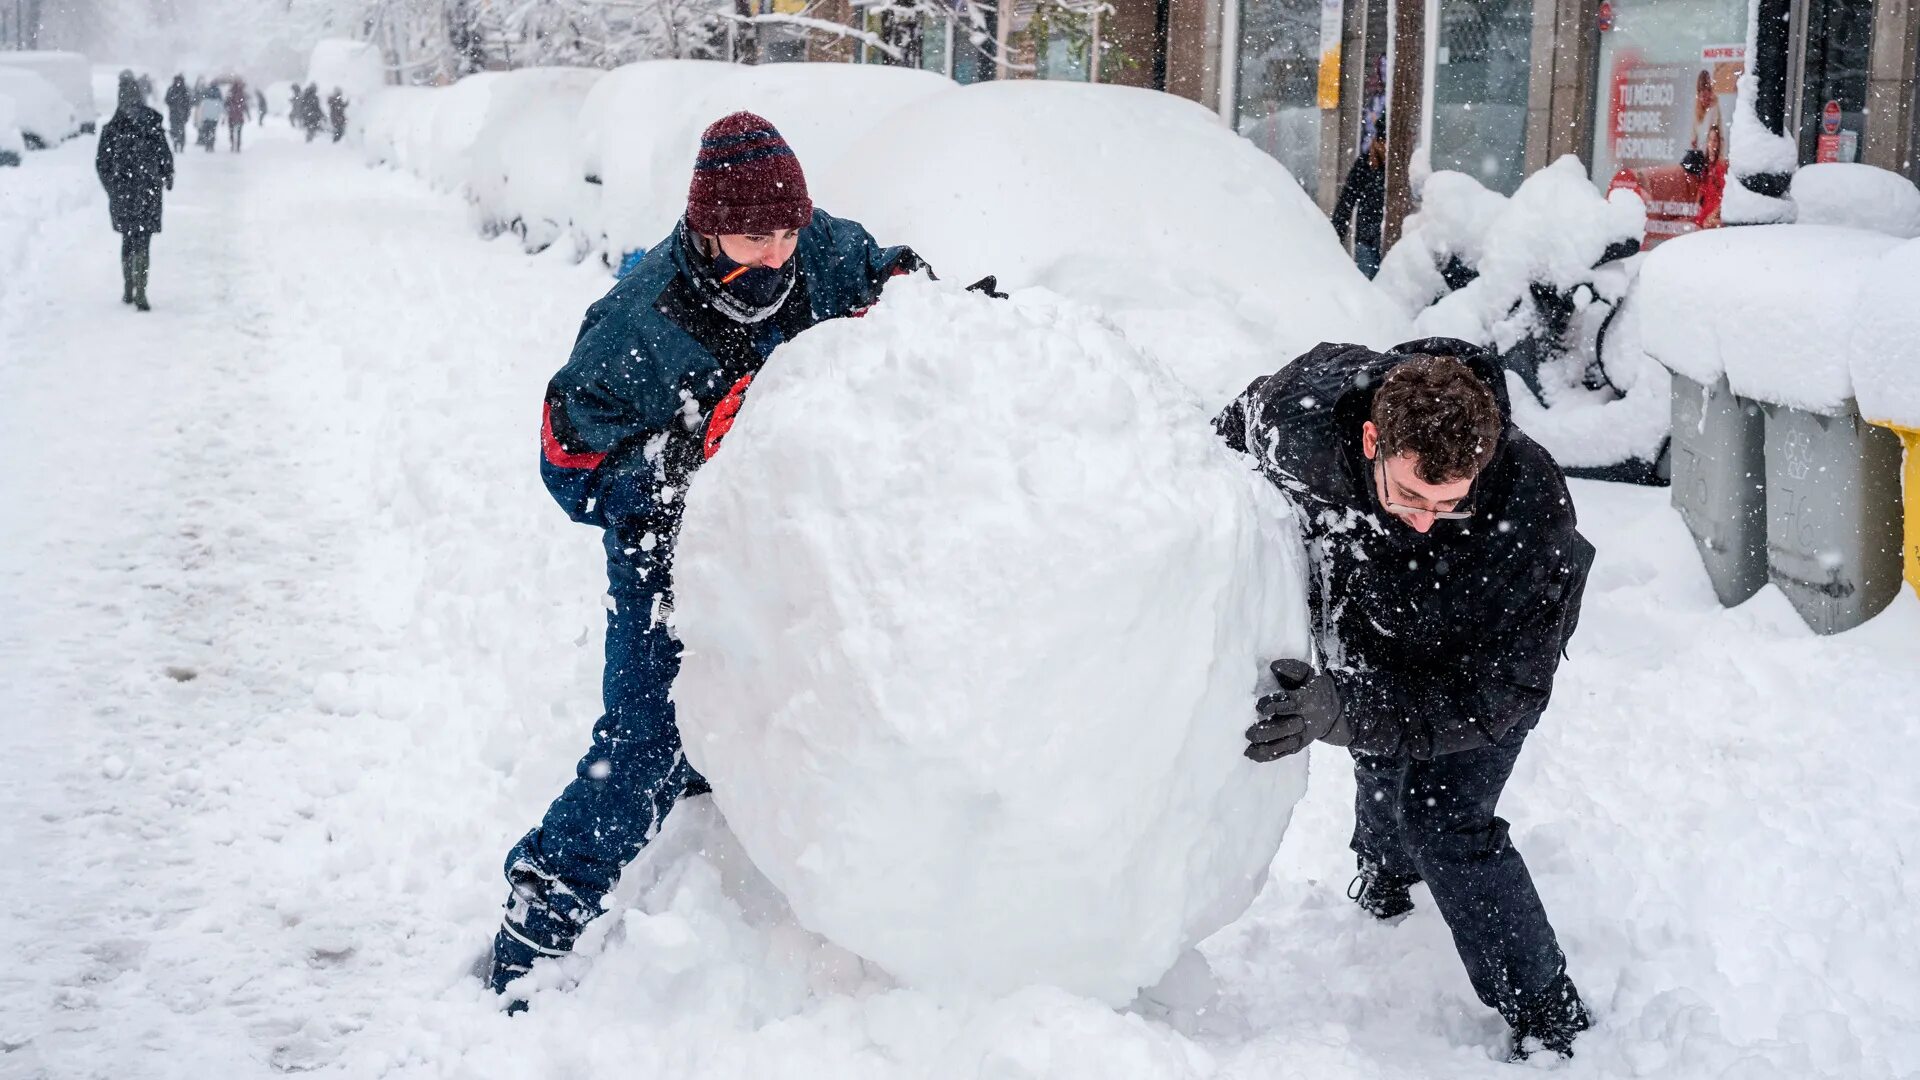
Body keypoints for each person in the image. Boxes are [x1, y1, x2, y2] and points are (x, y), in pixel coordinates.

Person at [487, 112, 935, 1011]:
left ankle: (723, 773)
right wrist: (679, 466)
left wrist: (934, 309)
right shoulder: (638, 320)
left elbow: (891, 279)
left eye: (786, 232)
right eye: (754, 237)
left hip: (788, 534)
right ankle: (542, 913)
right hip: (665, 555)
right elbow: (567, 461)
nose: (777, 255)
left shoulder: (819, 249)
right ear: (706, 226)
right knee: (644, 741)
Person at [1214, 340, 1596, 1061]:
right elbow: (1214, 451)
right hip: (1374, 625)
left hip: (1478, 667)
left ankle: (1547, 1010)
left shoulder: (1528, 507)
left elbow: (1499, 695)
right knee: (1381, 758)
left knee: (1445, 821)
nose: (1425, 519)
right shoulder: (1305, 416)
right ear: (1370, 441)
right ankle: (1387, 875)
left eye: (1450, 504)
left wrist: (1348, 710)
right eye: (1411, 496)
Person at [95, 71, 174, 312]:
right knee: (143, 240)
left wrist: (112, 187)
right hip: (147, 189)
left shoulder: (113, 128)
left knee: (129, 238)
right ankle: (141, 289)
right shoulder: (150, 123)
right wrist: (166, 174)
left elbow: (102, 163)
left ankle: (130, 286)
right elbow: (164, 153)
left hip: (124, 192)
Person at [1330, 121, 1386, 278]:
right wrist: (1336, 235)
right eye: (1382, 142)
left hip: (1387, 240)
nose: (1385, 148)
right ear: (1377, 141)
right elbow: (1347, 200)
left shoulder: (1396, 168)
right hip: (1367, 240)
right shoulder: (1365, 164)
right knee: (1367, 282)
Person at [163, 75, 191, 152]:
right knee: (176, 129)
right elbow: (167, 100)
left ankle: (180, 145)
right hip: (175, 113)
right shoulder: (174, 89)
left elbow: (188, 103)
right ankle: (176, 144)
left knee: (179, 130)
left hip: (179, 113)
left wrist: (186, 112)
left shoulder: (183, 90)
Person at [195, 82, 222, 151]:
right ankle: (211, 145)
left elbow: (202, 108)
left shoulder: (206, 97)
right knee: (213, 131)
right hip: (214, 117)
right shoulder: (218, 97)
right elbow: (221, 109)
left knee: (206, 132)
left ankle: (207, 145)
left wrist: (202, 116)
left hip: (206, 117)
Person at [225, 79, 250, 152]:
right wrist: (248, 115)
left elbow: (226, 104)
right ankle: (238, 146)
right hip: (239, 116)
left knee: (231, 131)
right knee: (239, 132)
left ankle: (232, 144)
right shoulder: (242, 93)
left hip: (231, 116)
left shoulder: (230, 93)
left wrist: (228, 109)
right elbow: (245, 105)